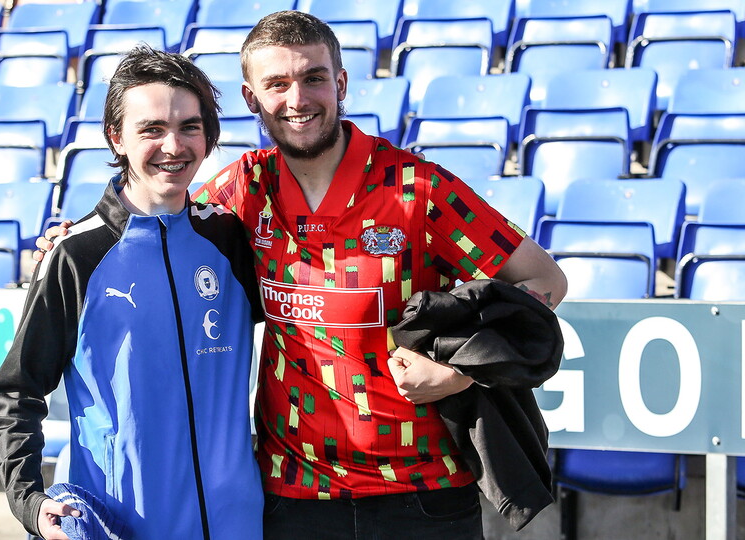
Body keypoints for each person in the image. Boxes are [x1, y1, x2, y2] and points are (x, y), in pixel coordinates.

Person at [38, 11, 568, 539]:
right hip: (294, 498)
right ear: (252, 99)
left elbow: (545, 281)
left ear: (339, 83)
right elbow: (157, 219)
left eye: (313, 78)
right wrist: (77, 234)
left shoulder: (418, 189)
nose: (297, 100)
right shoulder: (242, 190)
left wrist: (462, 372)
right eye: (277, 84)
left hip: (422, 495)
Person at [0, 46, 265, 540]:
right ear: (116, 136)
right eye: (152, 129)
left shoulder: (229, 240)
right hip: (123, 525)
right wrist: (30, 500)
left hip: (237, 521)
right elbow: (14, 392)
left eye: (189, 127)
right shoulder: (76, 255)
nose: (173, 146)